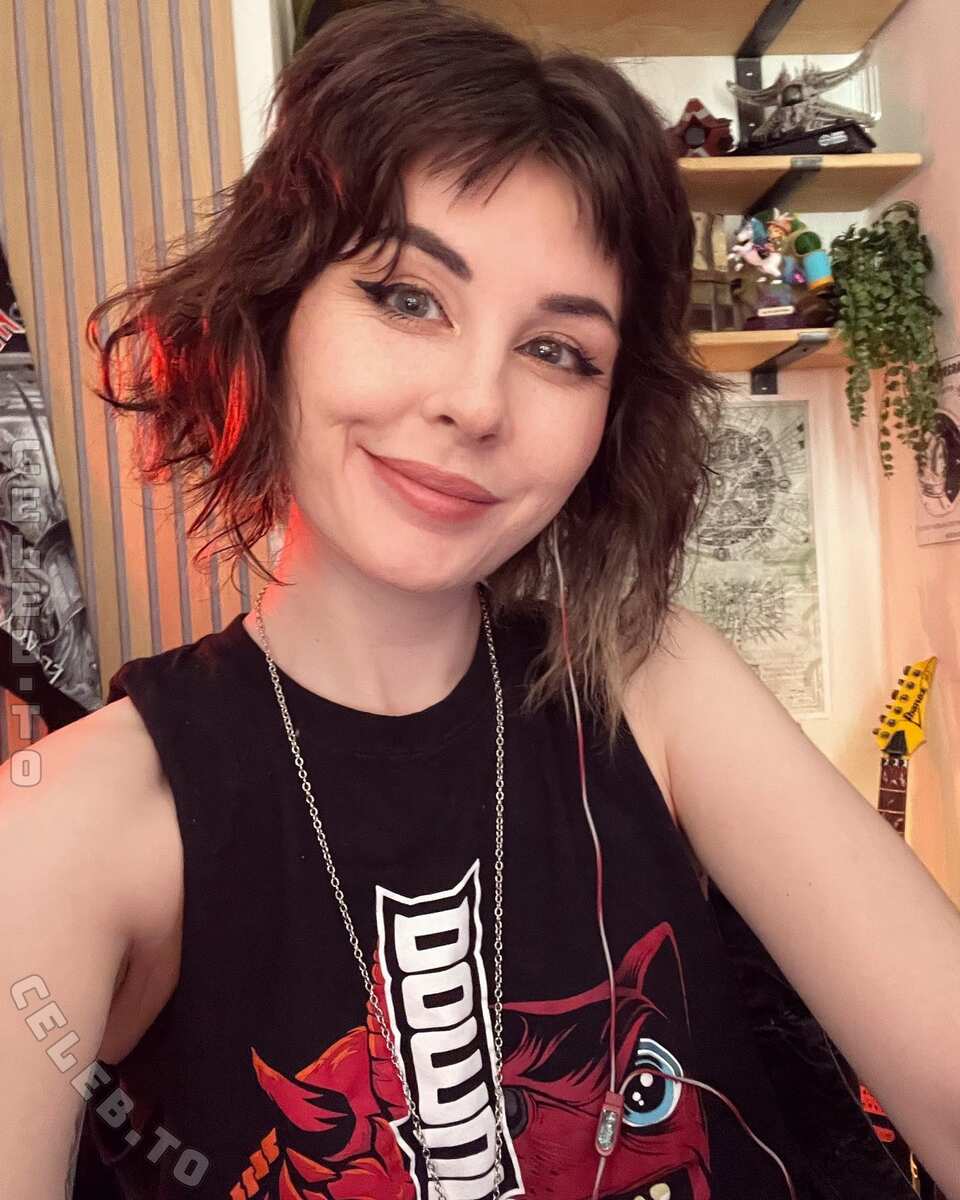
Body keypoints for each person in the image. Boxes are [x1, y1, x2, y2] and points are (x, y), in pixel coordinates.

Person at [1, 3, 958, 1198]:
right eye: (408, 297)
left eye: (559, 351)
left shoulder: (656, 688)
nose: (477, 403)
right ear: (274, 314)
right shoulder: (65, 828)